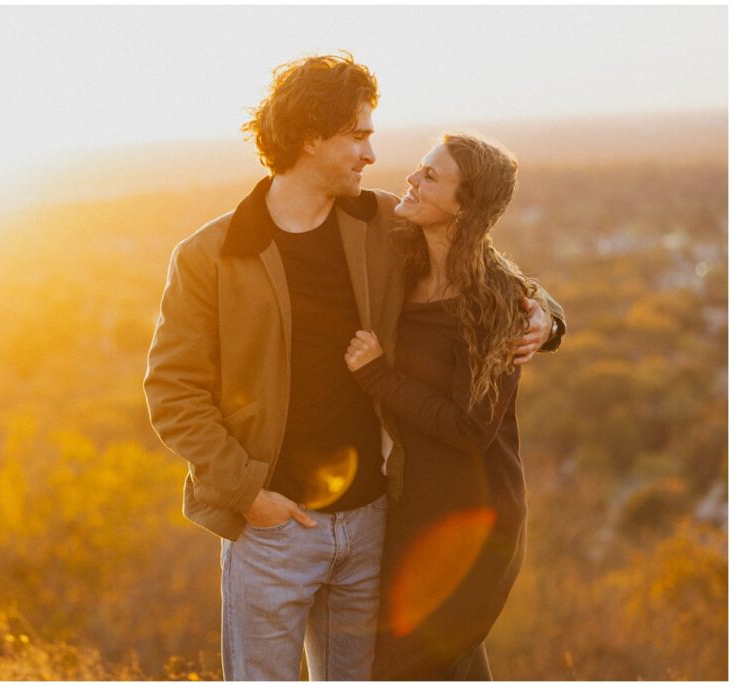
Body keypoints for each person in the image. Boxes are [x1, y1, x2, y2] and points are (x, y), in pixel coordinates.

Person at [144, 54, 564, 681]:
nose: (372, 154)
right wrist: (248, 494)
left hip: (372, 525)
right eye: (360, 135)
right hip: (272, 530)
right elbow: (173, 393)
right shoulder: (211, 255)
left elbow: (483, 266)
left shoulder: (382, 226)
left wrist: (547, 317)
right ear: (313, 136)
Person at [345, 133, 559, 679]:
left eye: (431, 177)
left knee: (410, 664)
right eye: (420, 169)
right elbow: (541, 300)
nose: (411, 181)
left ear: (465, 206)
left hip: (476, 521)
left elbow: (469, 428)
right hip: (412, 512)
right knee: (447, 666)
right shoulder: (404, 259)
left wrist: (377, 376)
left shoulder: (492, 300)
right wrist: (552, 318)